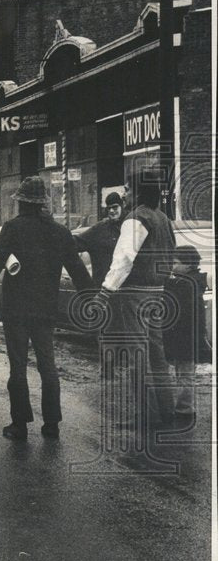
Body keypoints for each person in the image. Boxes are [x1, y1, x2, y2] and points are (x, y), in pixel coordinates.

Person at [0, 177, 94, 442]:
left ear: (21, 202)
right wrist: (92, 299)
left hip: (16, 310)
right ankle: (52, 424)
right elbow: (77, 269)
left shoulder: (13, 228)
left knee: (18, 367)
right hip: (46, 308)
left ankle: (19, 424)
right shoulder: (59, 232)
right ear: (44, 203)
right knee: (48, 365)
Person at [98, 177, 177, 429]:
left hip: (135, 294)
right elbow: (172, 251)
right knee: (157, 352)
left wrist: (106, 290)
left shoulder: (136, 218)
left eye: (128, 190)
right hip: (158, 291)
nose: (125, 195)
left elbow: (123, 258)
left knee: (137, 355)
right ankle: (167, 411)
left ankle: (146, 415)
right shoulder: (163, 218)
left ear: (138, 193)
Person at [163, 245, 211, 422]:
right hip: (184, 337)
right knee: (183, 373)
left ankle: (185, 411)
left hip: (185, 337)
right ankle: (183, 408)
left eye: (175, 263)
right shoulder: (188, 281)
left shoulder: (186, 284)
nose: (172, 266)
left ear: (189, 264)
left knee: (184, 374)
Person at [74, 190, 127, 287]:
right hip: (102, 288)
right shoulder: (99, 229)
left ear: (122, 206)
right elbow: (75, 243)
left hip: (123, 289)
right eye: (109, 208)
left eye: (115, 207)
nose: (111, 211)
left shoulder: (128, 227)